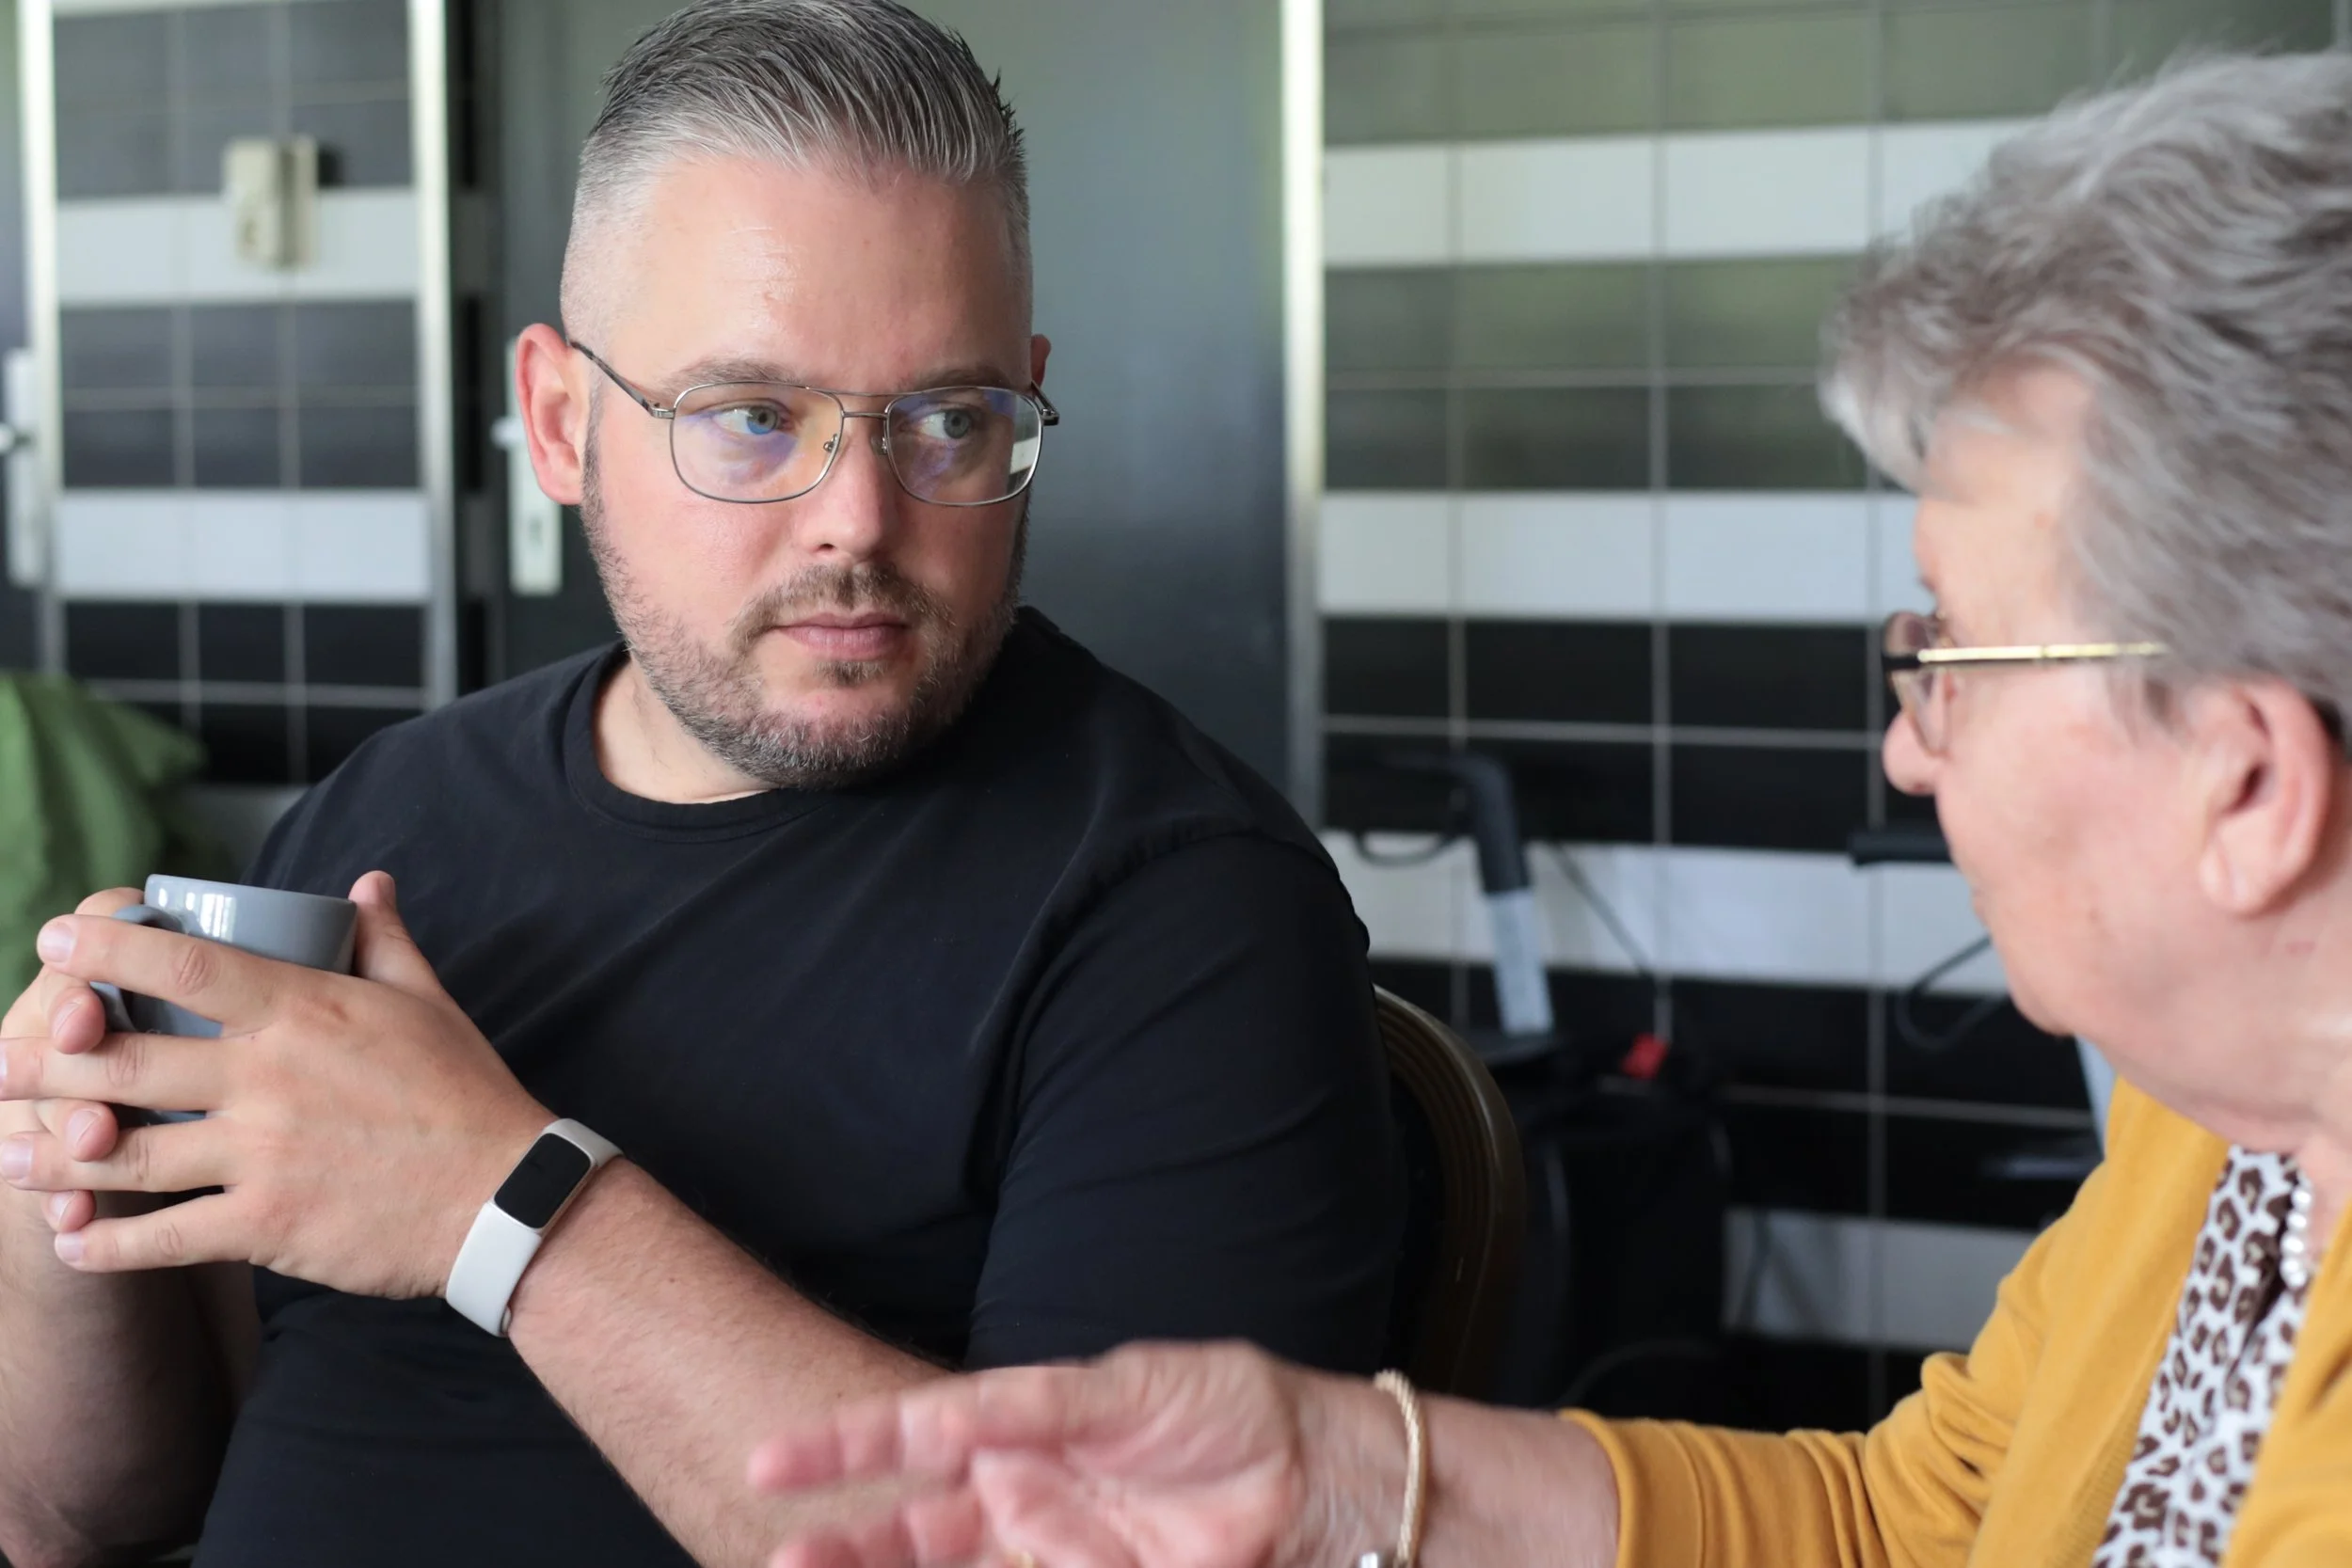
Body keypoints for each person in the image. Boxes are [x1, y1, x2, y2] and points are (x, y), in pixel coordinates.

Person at [745, 50, 2352, 1568]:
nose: (1909, 748)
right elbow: (1912, 1525)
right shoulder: (2223, 1131)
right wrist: (1343, 1470)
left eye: (1953, 652)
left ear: (2253, 780)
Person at [0, 4, 1403, 1565]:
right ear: (559, 421)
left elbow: (1123, 1548)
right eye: (752, 417)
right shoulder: (385, 819)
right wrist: (58, 1188)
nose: (859, 520)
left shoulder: (1187, 907)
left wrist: (499, 1203)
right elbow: (84, 1517)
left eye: (947, 417)